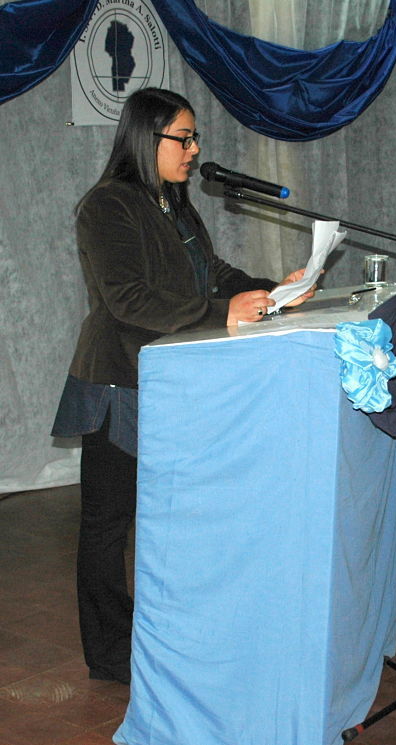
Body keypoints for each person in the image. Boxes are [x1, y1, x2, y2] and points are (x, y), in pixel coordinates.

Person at [51, 88, 316, 684]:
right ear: (148, 139)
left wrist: (274, 292)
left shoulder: (175, 202)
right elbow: (128, 298)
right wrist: (218, 314)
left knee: (173, 515)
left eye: (195, 139)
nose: (194, 150)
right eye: (184, 138)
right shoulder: (106, 206)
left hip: (172, 380)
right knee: (107, 523)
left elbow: (213, 274)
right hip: (119, 380)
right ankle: (110, 652)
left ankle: (168, 630)